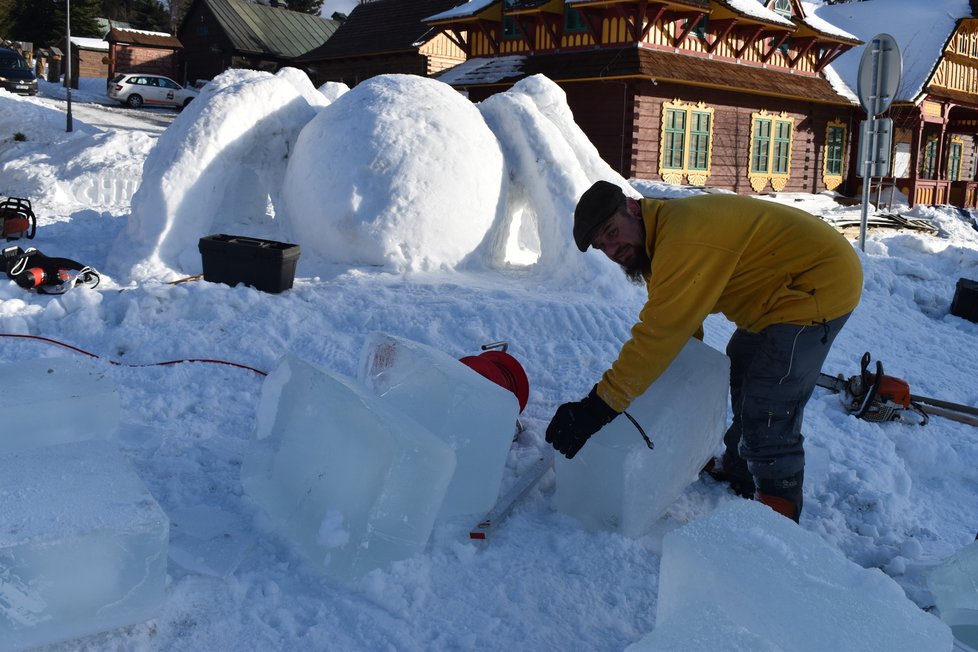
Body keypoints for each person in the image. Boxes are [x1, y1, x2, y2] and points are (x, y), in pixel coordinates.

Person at [545, 181, 863, 522]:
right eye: (602, 245)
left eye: (613, 231)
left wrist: (598, 407)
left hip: (818, 285)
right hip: (778, 293)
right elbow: (681, 330)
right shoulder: (658, 239)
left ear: (633, 208)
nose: (612, 248)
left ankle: (777, 517)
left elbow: (659, 333)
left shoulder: (682, 237)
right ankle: (742, 471)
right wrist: (653, 393)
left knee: (768, 401)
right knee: (742, 355)